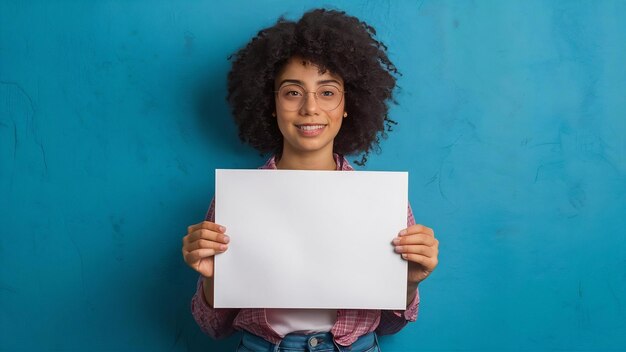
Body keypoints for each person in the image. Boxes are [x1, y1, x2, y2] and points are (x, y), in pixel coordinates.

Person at [181, 8, 439, 352]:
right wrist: (211, 279)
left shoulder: (383, 203)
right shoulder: (236, 200)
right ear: (271, 103)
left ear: (348, 103)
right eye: (292, 92)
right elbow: (214, 328)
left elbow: (391, 326)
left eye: (328, 92)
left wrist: (408, 282)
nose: (310, 108)